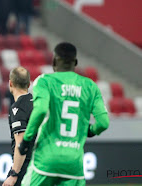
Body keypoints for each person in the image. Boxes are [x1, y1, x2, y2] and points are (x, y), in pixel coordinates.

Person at [19, 42, 110, 186]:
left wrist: (27, 139)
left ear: (54, 61)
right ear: (75, 62)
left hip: (46, 159)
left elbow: (41, 110)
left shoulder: (45, 81)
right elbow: (104, 123)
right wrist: (91, 130)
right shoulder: (90, 86)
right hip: (74, 164)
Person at [3, 67, 35, 186]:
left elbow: (21, 143)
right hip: (42, 163)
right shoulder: (37, 102)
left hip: (26, 166)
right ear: (28, 84)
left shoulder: (18, 108)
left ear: (10, 83)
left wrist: (14, 174)